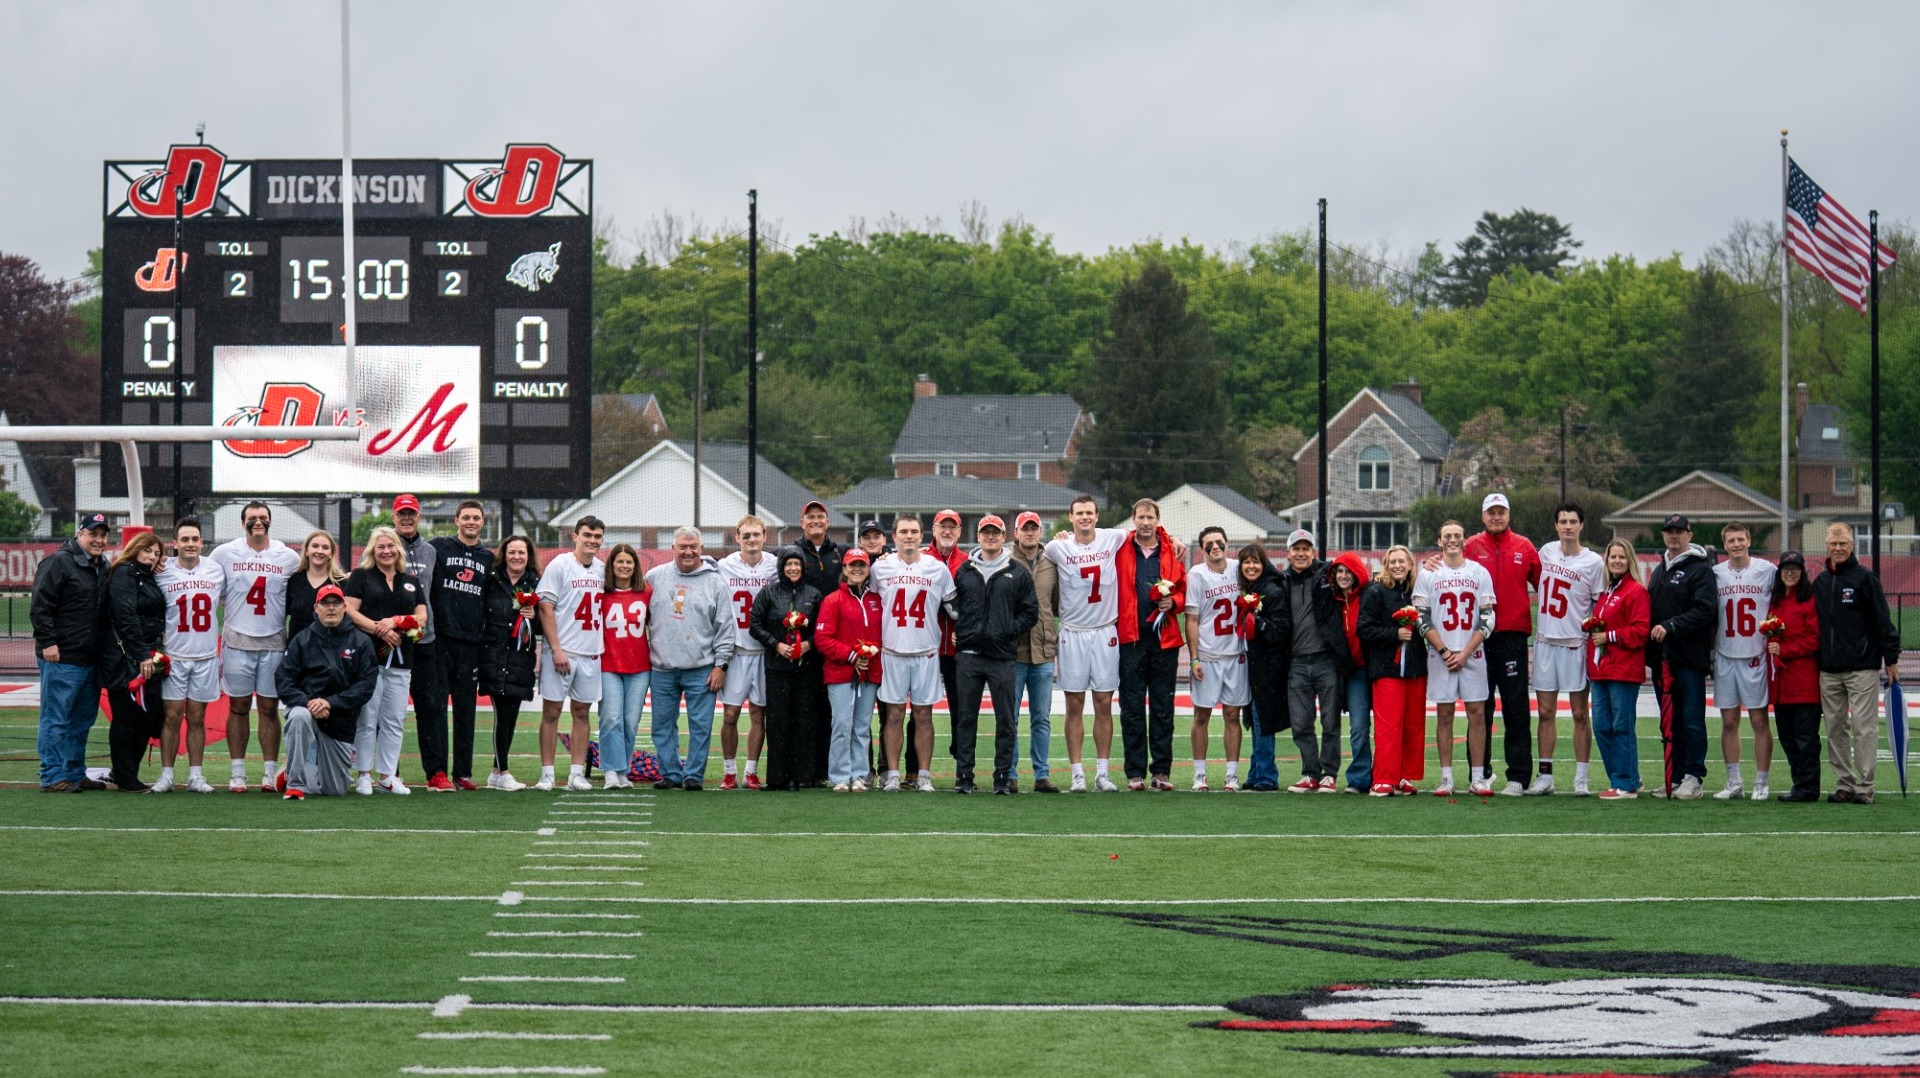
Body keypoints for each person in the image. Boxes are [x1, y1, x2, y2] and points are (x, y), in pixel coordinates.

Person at [209, 500, 302, 792]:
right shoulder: (224, 553)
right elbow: (207, 583)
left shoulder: (288, 557)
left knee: (268, 707)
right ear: (242, 523)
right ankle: (237, 772)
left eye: (263, 517)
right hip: (237, 640)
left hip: (274, 641)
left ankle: (269, 772)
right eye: (252, 518)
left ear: (271, 522)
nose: (257, 522)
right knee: (237, 707)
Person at [1042, 494, 1131, 792]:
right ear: (1070, 517)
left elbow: (1147, 534)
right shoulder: (1057, 547)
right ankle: (1077, 773)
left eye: (1089, 513)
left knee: (1104, 703)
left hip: (1105, 631)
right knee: (1074, 704)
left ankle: (1102, 773)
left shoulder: (1113, 537)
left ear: (1097, 516)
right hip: (1073, 632)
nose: (1085, 517)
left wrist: (1174, 542)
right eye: (1079, 513)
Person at [948, 515, 1039, 795]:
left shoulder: (1018, 572)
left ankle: (1002, 777)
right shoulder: (964, 571)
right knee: (965, 718)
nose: (990, 537)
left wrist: (1007, 630)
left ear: (1003, 536)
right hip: (969, 655)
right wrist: (965, 629)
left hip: (1002, 657)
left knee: (1005, 720)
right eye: (985, 532)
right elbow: (952, 605)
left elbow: (1030, 613)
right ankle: (964, 776)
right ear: (978, 536)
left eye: (995, 532)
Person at [1812, 521, 1900, 804]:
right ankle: (1844, 783)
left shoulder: (1865, 578)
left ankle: (1865, 786)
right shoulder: (1821, 582)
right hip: (1828, 668)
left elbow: (1882, 621)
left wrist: (1891, 659)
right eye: (1833, 544)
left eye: (1843, 544)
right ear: (1826, 546)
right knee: (1835, 728)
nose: (1838, 548)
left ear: (1852, 546)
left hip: (1862, 667)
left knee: (1864, 727)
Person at [1462, 492, 1541, 796]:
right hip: (1478, 637)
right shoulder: (1470, 547)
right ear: (1483, 516)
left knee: (1516, 707)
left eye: (1501, 512)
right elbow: (1447, 570)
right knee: (1479, 707)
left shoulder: (1524, 546)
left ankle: (1518, 777)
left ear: (1509, 515)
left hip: (1512, 635)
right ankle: (1479, 774)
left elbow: (1544, 584)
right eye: (1490, 512)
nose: (1496, 517)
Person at [1526, 502, 1607, 797]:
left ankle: (1581, 778)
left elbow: (1601, 604)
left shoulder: (1594, 563)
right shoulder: (1546, 551)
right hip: (1546, 641)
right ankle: (1545, 776)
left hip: (1575, 644)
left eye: (1573, 521)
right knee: (1545, 712)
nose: (1568, 526)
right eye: (1563, 521)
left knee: (1578, 713)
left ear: (1581, 525)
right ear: (1556, 525)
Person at [871, 515, 956, 792]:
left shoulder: (937, 569)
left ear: (922, 536)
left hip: (926, 652)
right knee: (893, 715)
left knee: (924, 716)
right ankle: (893, 774)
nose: (909, 536)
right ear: (893, 537)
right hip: (892, 651)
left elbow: (954, 609)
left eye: (914, 531)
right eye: (904, 531)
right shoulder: (880, 568)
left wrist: (965, 629)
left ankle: (923, 775)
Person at [647, 526, 734, 791]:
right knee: (662, 725)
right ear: (672, 549)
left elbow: (726, 628)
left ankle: (693, 774)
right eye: (682, 546)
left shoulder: (716, 582)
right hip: (662, 667)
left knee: (700, 725)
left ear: (701, 549)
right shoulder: (654, 577)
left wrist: (721, 665)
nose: (688, 551)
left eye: (693, 546)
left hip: (701, 668)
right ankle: (671, 773)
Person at [343, 525, 427, 795]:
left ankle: (388, 776)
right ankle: (364, 774)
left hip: (402, 660)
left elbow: (422, 617)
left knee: (394, 719)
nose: (386, 551)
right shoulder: (360, 576)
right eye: (381, 546)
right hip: (368, 659)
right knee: (367, 716)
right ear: (372, 550)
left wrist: (397, 622)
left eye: (391, 546)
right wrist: (380, 628)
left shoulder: (410, 579)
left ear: (398, 549)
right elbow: (350, 611)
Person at [276, 584, 379, 799]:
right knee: (298, 716)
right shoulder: (302, 640)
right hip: (308, 712)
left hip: (339, 720)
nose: (330, 608)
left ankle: (301, 770)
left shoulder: (361, 641)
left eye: (336, 603)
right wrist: (308, 703)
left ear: (344, 607)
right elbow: (284, 680)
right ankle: (293, 782)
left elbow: (365, 686)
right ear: (316, 608)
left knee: (335, 791)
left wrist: (331, 703)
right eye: (325, 603)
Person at [1417, 520, 1497, 796]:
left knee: (1477, 714)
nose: (1452, 540)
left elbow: (1488, 616)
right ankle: (1447, 778)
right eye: (1447, 536)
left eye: (1457, 536)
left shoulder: (1479, 572)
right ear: (1439, 541)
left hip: (1472, 653)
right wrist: (1444, 651)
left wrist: (1463, 653)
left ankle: (1477, 778)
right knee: (1445, 714)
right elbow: (1421, 617)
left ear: (1465, 540)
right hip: (1441, 655)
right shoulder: (1428, 573)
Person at [33, 513, 111, 793]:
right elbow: (40, 605)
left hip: (90, 658)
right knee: (56, 717)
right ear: (80, 534)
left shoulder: (102, 565)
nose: (99, 540)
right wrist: (47, 642)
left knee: (81, 721)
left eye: (103, 535)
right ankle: (52, 775)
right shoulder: (58, 562)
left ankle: (75, 772)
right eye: (93, 534)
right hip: (62, 656)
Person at [1113, 498, 1187, 791]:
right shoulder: (1120, 546)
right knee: (1131, 707)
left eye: (1150, 517)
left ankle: (1161, 772)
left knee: (1162, 707)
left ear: (1158, 520)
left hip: (1164, 640)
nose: (1145, 522)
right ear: (1133, 519)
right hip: (1131, 639)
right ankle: (1134, 773)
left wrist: (1175, 602)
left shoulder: (1171, 551)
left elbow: (1182, 592)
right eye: (1140, 517)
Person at [1645, 513, 1717, 799]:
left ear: (1689, 534)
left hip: (1690, 658)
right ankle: (1673, 778)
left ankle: (1693, 777)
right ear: (1663, 535)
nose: (1673, 536)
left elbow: (1705, 611)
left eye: (1679, 531)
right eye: (1669, 531)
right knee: (1670, 722)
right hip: (1664, 660)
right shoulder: (1660, 569)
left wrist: (1671, 626)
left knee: (1691, 719)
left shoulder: (1701, 570)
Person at [153, 517, 225, 794]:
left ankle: (196, 776)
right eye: (185, 539)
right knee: (171, 717)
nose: (190, 544)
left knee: (197, 717)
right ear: (175, 544)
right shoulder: (163, 570)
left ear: (202, 542)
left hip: (205, 655)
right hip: (174, 656)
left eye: (195, 539)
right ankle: (166, 775)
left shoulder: (215, 570)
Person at [536, 516, 606, 792]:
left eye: (598, 536)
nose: (592, 540)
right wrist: (556, 649)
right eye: (588, 534)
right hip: (562, 653)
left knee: (581, 712)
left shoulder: (602, 569)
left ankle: (577, 773)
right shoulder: (560, 565)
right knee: (551, 711)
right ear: (575, 536)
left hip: (590, 653)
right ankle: (547, 773)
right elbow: (545, 607)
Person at [427, 499, 493, 792]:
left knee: (466, 710)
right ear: (456, 520)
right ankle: (438, 772)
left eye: (476, 518)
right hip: (440, 640)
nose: (471, 522)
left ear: (482, 522)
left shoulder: (488, 557)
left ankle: (462, 772)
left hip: (471, 644)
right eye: (466, 517)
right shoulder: (439, 547)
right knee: (437, 708)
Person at [1711, 521, 1776, 800]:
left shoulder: (1767, 571)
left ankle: (1761, 782)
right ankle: (1734, 781)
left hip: (1755, 654)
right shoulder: (1714, 573)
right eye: (1731, 541)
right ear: (1724, 544)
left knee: (1759, 720)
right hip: (1725, 653)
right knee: (1728, 721)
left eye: (1740, 539)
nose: (1736, 544)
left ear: (1748, 540)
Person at [750, 547, 824, 789]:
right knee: (778, 721)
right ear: (781, 567)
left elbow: (822, 628)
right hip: (777, 668)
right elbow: (755, 624)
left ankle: (802, 776)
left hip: (806, 669)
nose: (793, 568)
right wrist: (775, 645)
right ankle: (777, 778)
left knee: (804, 721)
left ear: (803, 567)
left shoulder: (814, 594)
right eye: (788, 564)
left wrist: (809, 644)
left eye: (797, 564)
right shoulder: (769, 593)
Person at [99, 531, 166, 792]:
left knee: (147, 717)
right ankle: (126, 777)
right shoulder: (125, 573)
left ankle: (124, 771)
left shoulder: (146, 576)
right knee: (127, 718)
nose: (152, 556)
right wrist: (140, 655)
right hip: (126, 658)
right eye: (148, 550)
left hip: (147, 654)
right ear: (135, 548)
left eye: (157, 553)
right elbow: (125, 615)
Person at [1358, 544, 1427, 796]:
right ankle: (1383, 778)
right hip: (1387, 668)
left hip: (1416, 668)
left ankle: (1403, 776)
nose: (1398, 565)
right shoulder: (1376, 591)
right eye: (1393, 561)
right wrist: (1393, 634)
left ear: (1410, 565)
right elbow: (1363, 629)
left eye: (1402, 561)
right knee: (1388, 726)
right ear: (1386, 565)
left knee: (1413, 724)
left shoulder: (1418, 592)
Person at [1183, 527, 1248, 792]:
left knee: (1233, 715)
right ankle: (1200, 774)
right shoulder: (1197, 574)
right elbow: (1192, 619)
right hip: (1209, 655)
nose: (1215, 546)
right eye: (1208, 544)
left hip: (1236, 654)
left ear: (1227, 543)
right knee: (1202, 714)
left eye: (1219, 541)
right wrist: (1194, 659)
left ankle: (1231, 775)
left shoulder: (1238, 568)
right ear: (1202, 549)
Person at [715, 516, 777, 790]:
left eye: (756, 535)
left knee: (758, 714)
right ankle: (729, 771)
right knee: (730, 714)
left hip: (765, 651)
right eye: (746, 535)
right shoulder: (723, 566)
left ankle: (751, 771)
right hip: (737, 650)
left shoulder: (775, 565)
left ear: (765, 536)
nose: (752, 540)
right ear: (737, 537)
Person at [1588, 539, 1651, 800]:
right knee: (1602, 727)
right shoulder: (1606, 593)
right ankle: (1626, 778)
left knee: (1621, 726)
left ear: (1630, 561)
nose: (1616, 561)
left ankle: (1625, 784)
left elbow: (1640, 631)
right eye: (1612, 557)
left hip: (1623, 671)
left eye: (1621, 557)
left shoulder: (1635, 591)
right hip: (1602, 671)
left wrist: (1609, 636)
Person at [816, 548, 883, 792]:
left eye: (862, 565)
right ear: (844, 569)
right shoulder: (833, 600)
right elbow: (822, 638)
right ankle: (840, 776)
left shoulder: (877, 600)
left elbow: (883, 635)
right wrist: (852, 655)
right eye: (852, 565)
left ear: (868, 570)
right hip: (840, 674)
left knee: (862, 727)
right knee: (842, 725)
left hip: (870, 672)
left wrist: (869, 655)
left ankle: (860, 775)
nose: (857, 569)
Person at [1280, 530, 1343, 794]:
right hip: (1295, 662)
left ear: (1314, 552)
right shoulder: (1281, 581)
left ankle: (1329, 774)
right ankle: (1310, 773)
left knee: (1330, 721)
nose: (1301, 553)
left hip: (1326, 660)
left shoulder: (1328, 575)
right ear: (1288, 553)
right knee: (1301, 722)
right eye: (1296, 548)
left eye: (1306, 548)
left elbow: (1354, 574)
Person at [390, 495, 445, 789]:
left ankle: (435, 773)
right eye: (402, 514)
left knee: (430, 708)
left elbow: (433, 595)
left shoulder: (430, 551)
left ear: (419, 516)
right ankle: (390, 772)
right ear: (393, 516)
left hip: (425, 641)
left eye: (411, 513)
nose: (407, 518)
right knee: (390, 711)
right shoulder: (384, 546)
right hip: (391, 641)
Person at [480, 534, 540, 791]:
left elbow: (544, 623)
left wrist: (533, 616)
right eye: (512, 552)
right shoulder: (490, 581)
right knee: (502, 714)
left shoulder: (537, 583)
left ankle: (496, 772)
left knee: (512, 714)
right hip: (493, 655)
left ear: (529, 557)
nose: (517, 557)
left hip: (520, 658)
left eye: (522, 553)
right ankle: (503, 770)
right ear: (504, 554)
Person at [792, 500, 845, 785]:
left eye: (820, 516)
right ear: (802, 522)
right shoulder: (793, 552)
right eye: (810, 516)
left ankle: (825, 771)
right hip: (802, 640)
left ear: (827, 521)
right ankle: (803, 770)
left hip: (833, 642)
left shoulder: (840, 552)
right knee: (803, 708)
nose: (815, 521)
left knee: (830, 709)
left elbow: (869, 561)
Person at [1008, 511, 1060, 792]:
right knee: (1011, 717)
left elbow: (1055, 604)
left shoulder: (1052, 562)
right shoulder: (1004, 560)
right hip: (1013, 652)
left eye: (1034, 528)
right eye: (1024, 528)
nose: (1029, 533)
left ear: (1041, 532)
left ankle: (1042, 774)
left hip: (1043, 652)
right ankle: (1010, 774)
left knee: (1041, 717)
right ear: (1015, 533)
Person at [1766, 550, 1822, 803]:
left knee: (1806, 739)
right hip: (1782, 684)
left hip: (1804, 682)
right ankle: (1799, 783)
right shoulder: (1776, 601)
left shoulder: (1809, 600)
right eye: (1786, 569)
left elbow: (1815, 639)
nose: (1790, 573)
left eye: (1795, 569)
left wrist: (1785, 650)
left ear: (1802, 572)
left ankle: (1808, 787)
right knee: (1788, 738)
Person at [598, 543, 651, 790]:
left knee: (630, 721)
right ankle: (610, 770)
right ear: (611, 565)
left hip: (639, 666)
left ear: (635, 566)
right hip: (608, 664)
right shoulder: (601, 593)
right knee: (610, 718)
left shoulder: (646, 591)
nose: (624, 566)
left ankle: (622, 770)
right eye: (619, 561)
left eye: (628, 562)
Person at [1238, 544, 1290, 792]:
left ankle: (1267, 775)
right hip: (1253, 664)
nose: (1251, 566)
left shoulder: (1272, 591)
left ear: (1264, 564)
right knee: (1254, 717)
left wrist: (1258, 621)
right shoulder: (1251, 589)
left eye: (1256, 561)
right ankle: (1256, 771)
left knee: (1262, 718)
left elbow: (1281, 629)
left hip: (1268, 666)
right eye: (1246, 562)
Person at [926, 508, 971, 779]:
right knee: (921, 710)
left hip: (958, 649)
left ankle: (963, 770)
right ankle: (912, 771)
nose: (947, 531)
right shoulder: (919, 559)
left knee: (961, 710)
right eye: (943, 526)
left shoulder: (968, 562)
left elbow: (975, 605)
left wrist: (965, 630)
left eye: (952, 527)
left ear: (959, 531)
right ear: (934, 529)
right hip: (927, 648)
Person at [1328, 551, 1373, 794]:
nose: (1344, 576)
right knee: (1355, 725)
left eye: (1348, 571)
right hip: (1347, 671)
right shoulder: (1329, 600)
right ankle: (1357, 778)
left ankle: (1375, 776)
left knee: (1373, 725)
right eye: (1339, 572)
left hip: (1372, 668)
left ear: (1357, 574)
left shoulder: (1369, 595)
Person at [286, 530, 347, 640]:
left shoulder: (342, 583)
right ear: (306, 551)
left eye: (325, 547)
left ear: (331, 554)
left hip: (330, 651)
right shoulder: (294, 580)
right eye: (315, 546)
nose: (319, 551)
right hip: (297, 651)